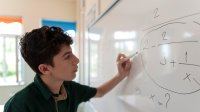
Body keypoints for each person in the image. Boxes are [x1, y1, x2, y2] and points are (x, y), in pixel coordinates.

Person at [3, 26, 132, 112]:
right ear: (45, 69)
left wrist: (121, 75)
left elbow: (100, 92)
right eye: (67, 56)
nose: (77, 60)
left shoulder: (71, 89)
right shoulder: (19, 105)